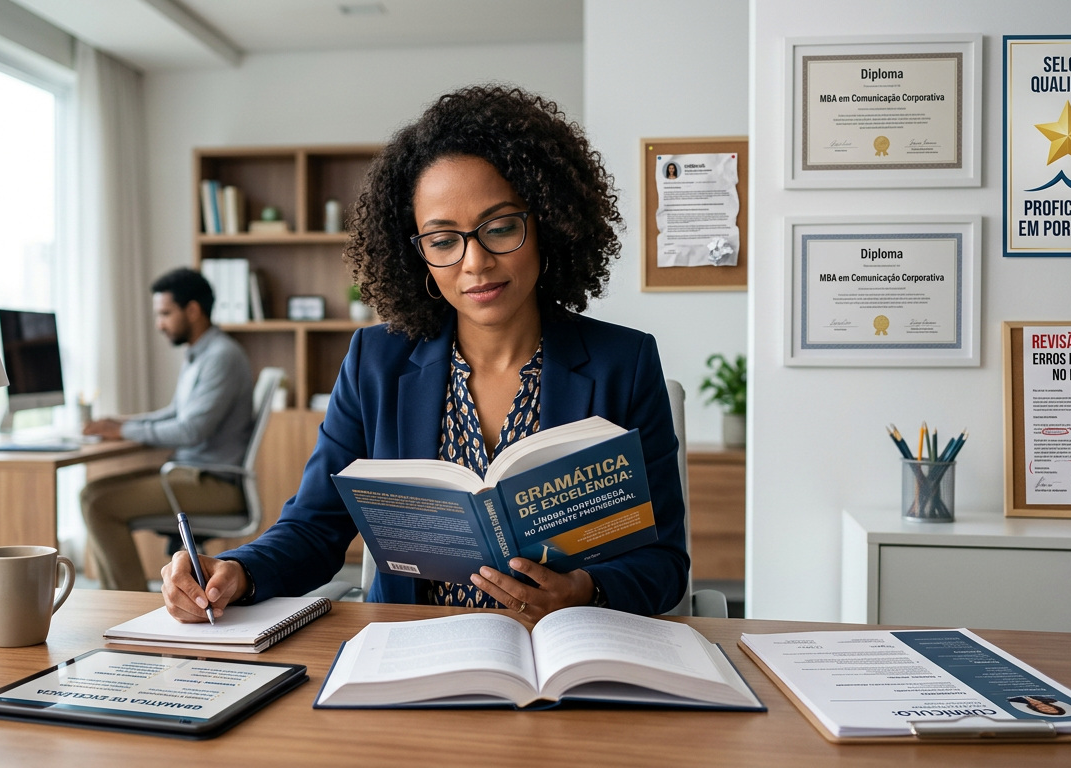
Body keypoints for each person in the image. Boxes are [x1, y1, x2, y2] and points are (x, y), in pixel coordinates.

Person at [161, 85, 689, 622]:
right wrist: (236, 570)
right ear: (418, 256)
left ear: (548, 225)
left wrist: (584, 589)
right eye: (443, 240)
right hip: (416, 654)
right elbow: (315, 526)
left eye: (501, 227)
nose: (475, 262)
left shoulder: (624, 362)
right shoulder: (375, 363)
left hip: (564, 651)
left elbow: (664, 561)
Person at [81, 267, 254, 591]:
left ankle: (128, 605)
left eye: (165, 313)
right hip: (190, 474)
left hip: (213, 483)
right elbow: (175, 412)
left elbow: (191, 430)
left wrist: (125, 431)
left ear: (192, 310)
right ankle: (116, 598)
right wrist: (124, 423)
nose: (159, 324)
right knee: (91, 493)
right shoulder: (198, 355)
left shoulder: (221, 357)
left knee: (98, 505)